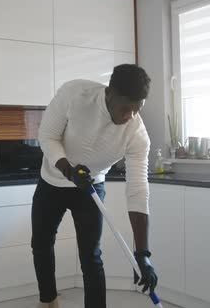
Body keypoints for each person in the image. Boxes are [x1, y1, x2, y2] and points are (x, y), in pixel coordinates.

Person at [31, 64, 158, 308]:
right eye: (125, 107)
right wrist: (68, 170)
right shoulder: (75, 94)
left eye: (137, 109)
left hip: (90, 187)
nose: (130, 116)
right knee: (41, 243)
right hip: (53, 181)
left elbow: (138, 190)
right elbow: (47, 135)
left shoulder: (137, 134)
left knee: (91, 255)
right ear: (109, 93)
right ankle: (48, 300)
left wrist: (143, 254)